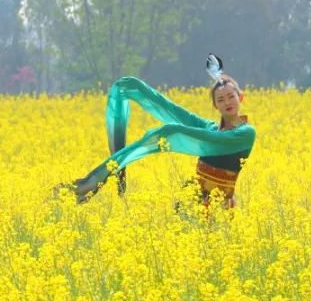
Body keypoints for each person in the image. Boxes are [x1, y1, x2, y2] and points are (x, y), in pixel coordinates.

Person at [57, 70, 256, 209]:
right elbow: (175, 112)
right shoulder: (210, 127)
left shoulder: (245, 133)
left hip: (220, 207)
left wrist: (169, 132)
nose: (227, 102)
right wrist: (136, 89)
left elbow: (214, 139)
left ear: (241, 97)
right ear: (215, 105)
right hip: (191, 201)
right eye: (220, 99)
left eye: (231, 97)